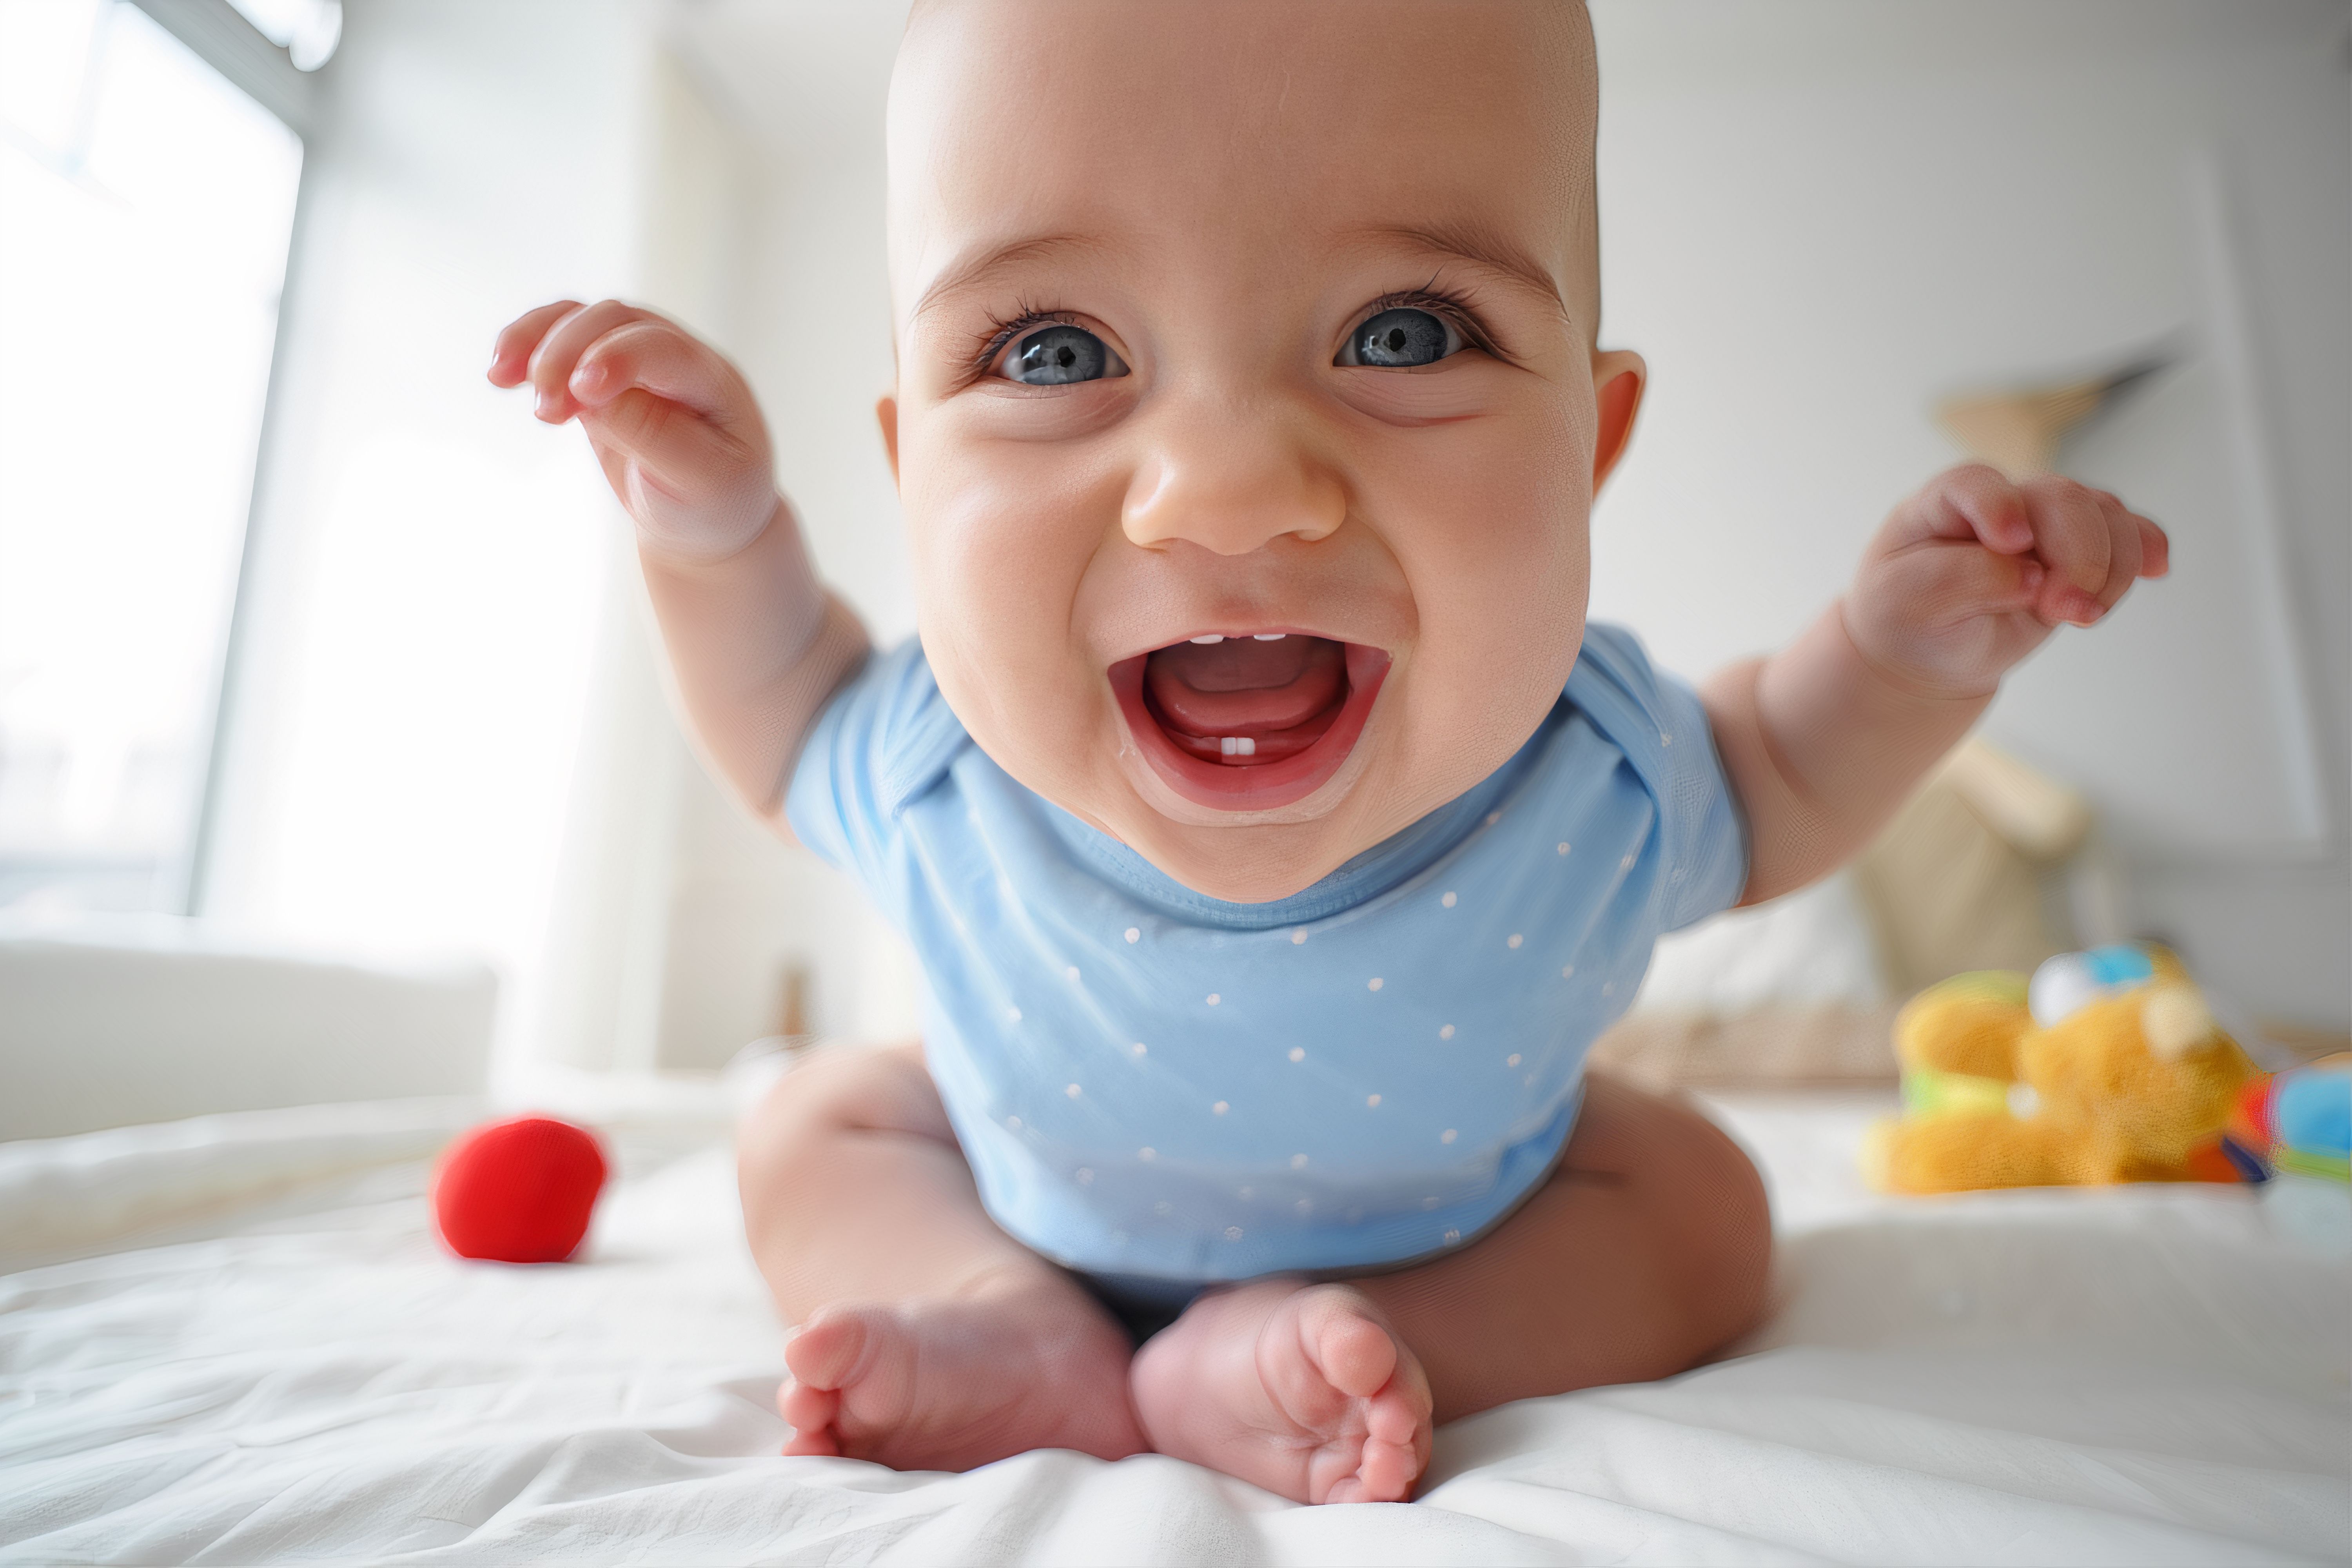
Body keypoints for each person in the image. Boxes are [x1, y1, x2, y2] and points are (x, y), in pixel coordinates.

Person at [488, 0, 2165, 1505]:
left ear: (1590, 442)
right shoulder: (939, 757)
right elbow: (783, 708)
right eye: (1055, 352)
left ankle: (1350, 1349)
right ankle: (1010, 1323)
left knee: (1703, 1200)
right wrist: (715, 539)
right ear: (915, 468)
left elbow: (1787, 774)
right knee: (814, 1120)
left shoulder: (1597, 773)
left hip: (1461, 1235)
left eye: (1408, 334)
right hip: (1011, 1203)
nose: (1225, 487)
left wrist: (1893, 654)